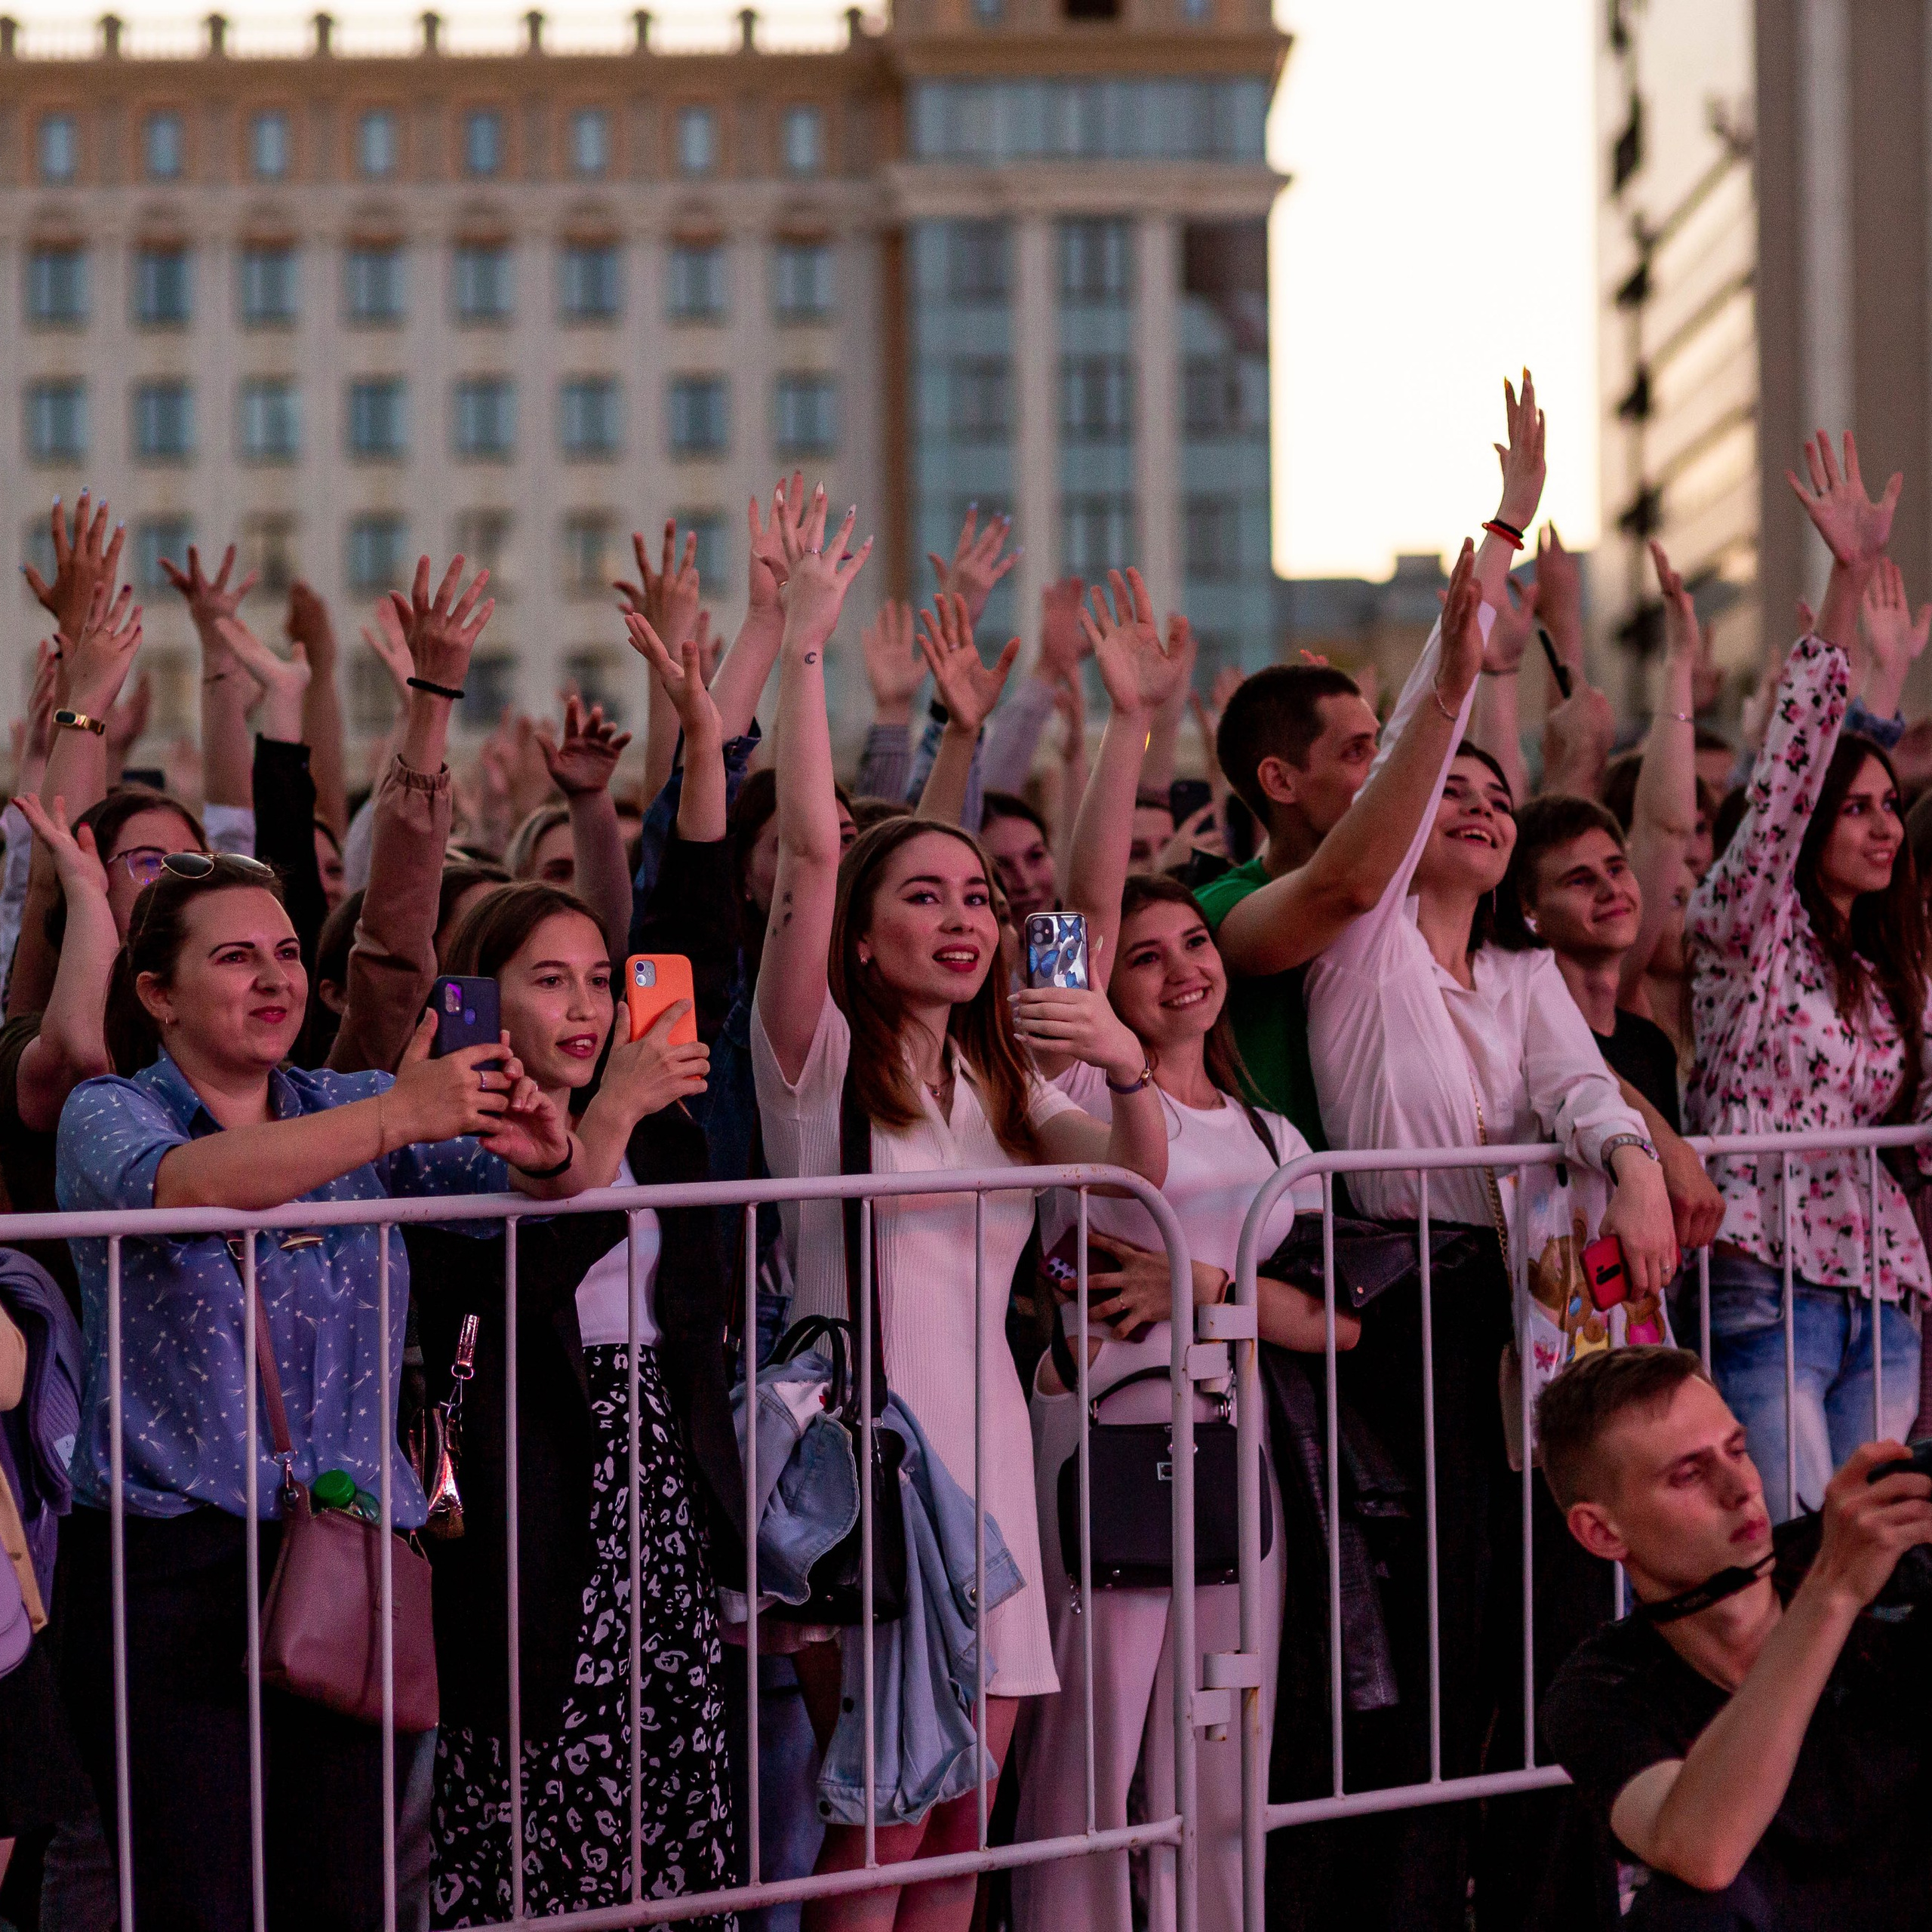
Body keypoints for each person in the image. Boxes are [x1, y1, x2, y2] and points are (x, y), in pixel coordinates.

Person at [750, 500, 1168, 1932]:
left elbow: (1133, 1186)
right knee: (877, 1845)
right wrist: (804, 651)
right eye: (923, 896)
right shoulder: (813, 1064)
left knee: (959, 1842)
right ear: (863, 939)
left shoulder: (1001, 1082)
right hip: (868, 1483)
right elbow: (813, 853)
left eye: (979, 897)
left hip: (994, 1475)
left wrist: (1128, 1067)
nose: (964, 917)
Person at [54, 853, 583, 1932]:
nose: (274, 979)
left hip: (346, 1552)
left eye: (289, 953)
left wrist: (552, 1145)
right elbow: (188, 1187)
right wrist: (400, 1117)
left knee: (345, 1896)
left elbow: (538, 1178)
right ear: (157, 993)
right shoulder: (108, 1111)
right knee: (199, 1902)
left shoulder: (346, 1101)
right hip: (169, 1565)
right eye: (234, 957)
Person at [1301, 509, 1677, 1928]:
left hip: (1533, 1310)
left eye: (1496, 798)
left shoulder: (1523, 976)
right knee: (1442, 1636)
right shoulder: (1361, 944)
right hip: (1406, 1308)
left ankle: (1553, 1902)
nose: (1475, 805)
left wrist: (1632, 1162)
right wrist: (1475, 620)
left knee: (1559, 1613)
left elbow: (1578, 1087)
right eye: (1448, 792)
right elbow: (1404, 776)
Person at [1008, 568, 1346, 1932]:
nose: (1181, 968)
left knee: (1222, 1765)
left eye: (1195, 942)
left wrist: (1206, 1291)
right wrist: (1132, 722)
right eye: (1144, 958)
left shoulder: (1274, 1134)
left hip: (1239, 1455)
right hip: (1105, 1447)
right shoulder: (1074, 1084)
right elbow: (1080, 913)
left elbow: (1338, 1319)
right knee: (1090, 1775)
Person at [418, 879, 736, 1927]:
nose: (587, 1007)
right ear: (482, 996)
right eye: (551, 981)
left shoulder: (652, 1127)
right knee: (542, 1767)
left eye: (600, 980)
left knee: (665, 1756)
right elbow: (508, 1293)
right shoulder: (455, 1129)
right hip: (531, 1469)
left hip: (656, 1471)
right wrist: (605, 1121)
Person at [1686, 433, 1930, 1521]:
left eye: (1891, 809)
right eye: (1857, 809)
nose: (1885, 828)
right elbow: (1791, 767)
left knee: (1874, 1550)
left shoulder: (1886, 970)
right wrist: (1844, 581)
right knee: (1787, 1541)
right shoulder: (1750, 923)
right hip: (1762, 1274)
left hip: (1882, 1281)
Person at [1539, 1346, 1932, 1930]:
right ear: (1601, 1531)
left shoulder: (1878, 1558)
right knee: (1689, 1914)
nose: (1741, 1488)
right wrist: (1833, 1594)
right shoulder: (1601, 1688)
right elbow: (1702, 1851)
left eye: (1738, 1450)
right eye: (1689, 1474)